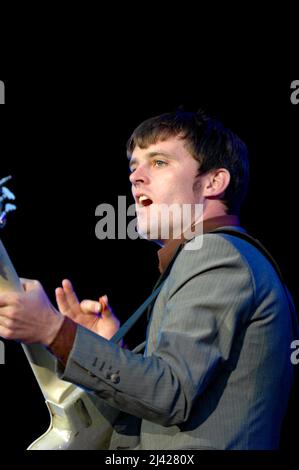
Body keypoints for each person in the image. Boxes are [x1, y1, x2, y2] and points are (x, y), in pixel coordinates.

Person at [0, 110, 297, 450]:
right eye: (133, 166)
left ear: (214, 182)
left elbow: (170, 394)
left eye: (158, 162)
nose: (136, 177)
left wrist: (54, 331)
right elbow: (168, 406)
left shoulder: (216, 254)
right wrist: (111, 347)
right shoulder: (209, 258)